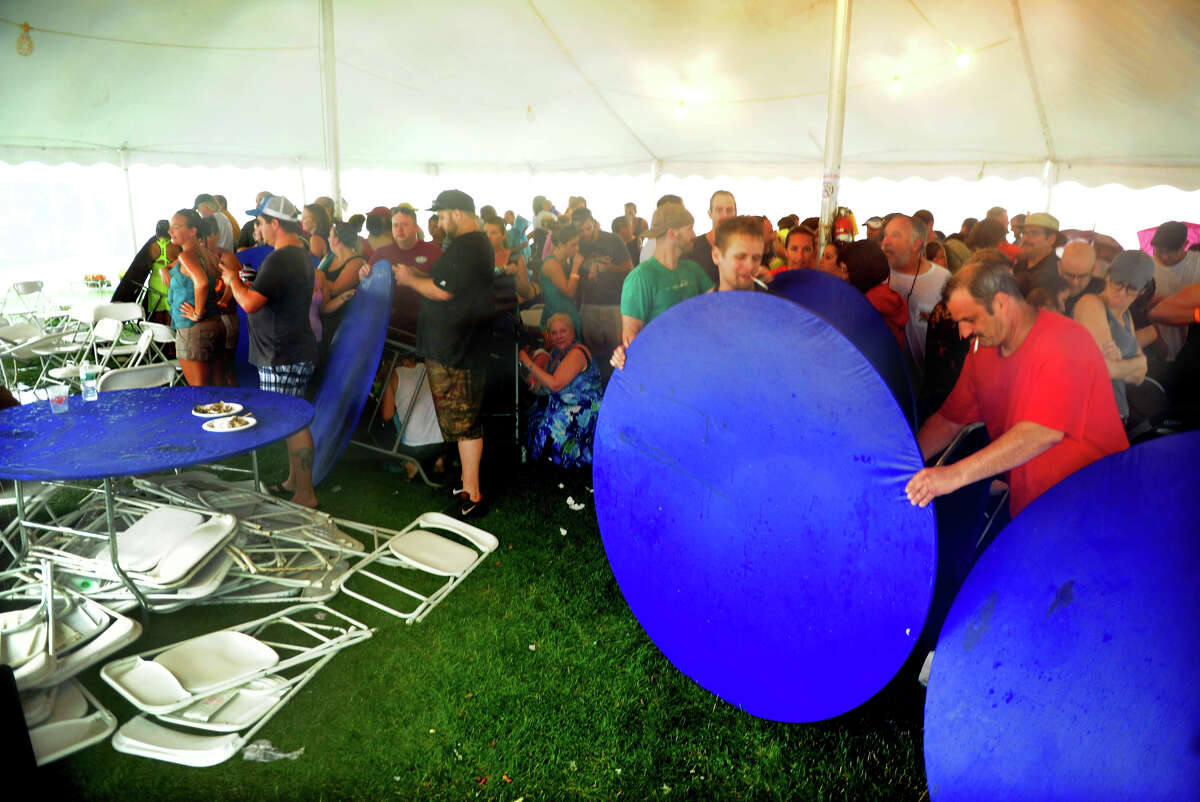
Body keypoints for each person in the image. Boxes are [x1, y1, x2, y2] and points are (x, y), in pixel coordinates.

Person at [904, 254, 1128, 518]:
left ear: (1001, 303)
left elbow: (1042, 432)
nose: (963, 333)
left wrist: (954, 476)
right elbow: (950, 419)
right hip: (1032, 505)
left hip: (1091, 503)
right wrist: (906, 461)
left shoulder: (1065, 340)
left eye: (970, 319)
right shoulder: (982, 351)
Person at [391, 190, 494, 518]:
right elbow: (443, 281)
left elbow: (443, 290)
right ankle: (466, 481)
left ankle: (473, 494)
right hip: (455, 346)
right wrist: (416, 275)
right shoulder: (469, 245)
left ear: (460, 213)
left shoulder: (469, 245)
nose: (439, 221)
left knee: (465, 422)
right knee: (461, 420)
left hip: (459, 348)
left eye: (443, 215)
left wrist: (409, 280)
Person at [217, 194, 320, 508]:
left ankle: (306, 494)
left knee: (293, 421)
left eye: (259, 222)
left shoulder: (280, 258)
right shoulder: (297, 254)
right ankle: (294, 481)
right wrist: (250, 281)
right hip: (290, 349)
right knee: (293, 418)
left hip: (282, 353)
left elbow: (249, 304)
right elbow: (274, 294)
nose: (255, 228)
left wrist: (234, 280)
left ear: (274, 223)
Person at [616, 202, 713, 363]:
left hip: (694, 362)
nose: (694, 235)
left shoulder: (693, 269)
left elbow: (716, 308)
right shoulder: (641, 277)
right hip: (661, 368)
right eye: (689, 229)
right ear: (672, 234)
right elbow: (631, 339)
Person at [1073, 250, 1154, 423]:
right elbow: (1106, 369)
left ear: (1143, 290)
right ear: (1108, 276)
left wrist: (1121, 366)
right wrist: (1137, 362)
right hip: (1093, 414)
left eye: (1131, 288)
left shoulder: (1126, 316)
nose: (1122, 292)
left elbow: (1140, 376)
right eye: (1118, 283)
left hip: (1116, 413)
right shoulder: (1091, 303)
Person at [519, 313, 603, 468]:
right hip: (562, 405)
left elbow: (555, 384)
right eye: (554, 332)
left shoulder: (577, 352)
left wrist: (527, 362)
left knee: (548, 430)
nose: (559, 336)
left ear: (572, 331)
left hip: (583, 410)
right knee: (531, 418)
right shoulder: (557, 353)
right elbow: (545, 386)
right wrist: (529, 385)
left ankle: (564, 458)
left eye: (563, 331)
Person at [883, 214, 951, 370]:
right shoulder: (879, 275)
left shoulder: (943, 279)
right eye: (885, 235)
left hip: (930, 380)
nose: (886, 241)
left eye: (895, 235)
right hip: (890, 378)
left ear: (916, 244)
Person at [573, 208, 633, 384]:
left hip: (614, 305)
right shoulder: (578, 243)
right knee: (592, 355)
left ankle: (618, 390)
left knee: (617, 354)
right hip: (589, 305)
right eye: (580, 231)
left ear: (594, 223)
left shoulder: (612, 240)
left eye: (588, 228)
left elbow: (629, 267)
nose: (585, 234)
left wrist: (608, 268)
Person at [166, 208, 224, 387]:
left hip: (193, 329)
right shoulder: (208, 255)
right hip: (215, 325)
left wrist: (197, 313)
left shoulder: (186, 255)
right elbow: (219, 284)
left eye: (176, 227)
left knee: (200, 394)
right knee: (217, 390)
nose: (170, 231)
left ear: (193, 231)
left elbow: (202, 282)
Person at [1149, 221, 1200, 362]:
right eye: (1160, 250)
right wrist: (1157, 341)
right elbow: (1143, 311)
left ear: (1185, 244)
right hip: (1159, 352)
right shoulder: (1147, 267)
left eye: (1170, 251)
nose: (1164, 256)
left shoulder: (1197, 263)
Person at [197, 217, 240, 387]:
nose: (204, 241)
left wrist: (220, 302)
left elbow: (234, 284)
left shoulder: (225, 257)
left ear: (216, 235)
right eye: (201, 237)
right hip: (211, 318)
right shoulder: (199, 257)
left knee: (227, 368)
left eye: (208, 236)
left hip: (225, 317)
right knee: (215, 368)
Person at [841, 240, 907, 349]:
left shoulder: (868, 306)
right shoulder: (884, 296)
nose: (843, 277)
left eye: (846, 270)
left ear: (860, 270)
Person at [1012, 212, 1066, 296]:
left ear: (1051, 239)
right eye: (1024, 233)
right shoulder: (1022, 262)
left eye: (1034, 233)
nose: (1026, 238)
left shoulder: (1052, 274)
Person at [484, 218, 536, 304]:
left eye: (493, 233)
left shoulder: (515, 258)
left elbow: (525, 292)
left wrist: (516, 275)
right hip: (485, 313)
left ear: (504, 235)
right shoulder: (480, 258)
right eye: (485, 233)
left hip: (508, 311)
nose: (488, 236)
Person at [690, 190, 737, 285]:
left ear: (735, 213)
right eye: (719, 210)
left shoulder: (744, 246)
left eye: (729, 210)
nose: (725, 215)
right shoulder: (694, 246)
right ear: (710, 214)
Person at [711, 215, 765, 291]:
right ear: (716, 256)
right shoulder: (703, 302)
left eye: (756, 258)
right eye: (741, 257)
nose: (750, 267)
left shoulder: (775, 302)